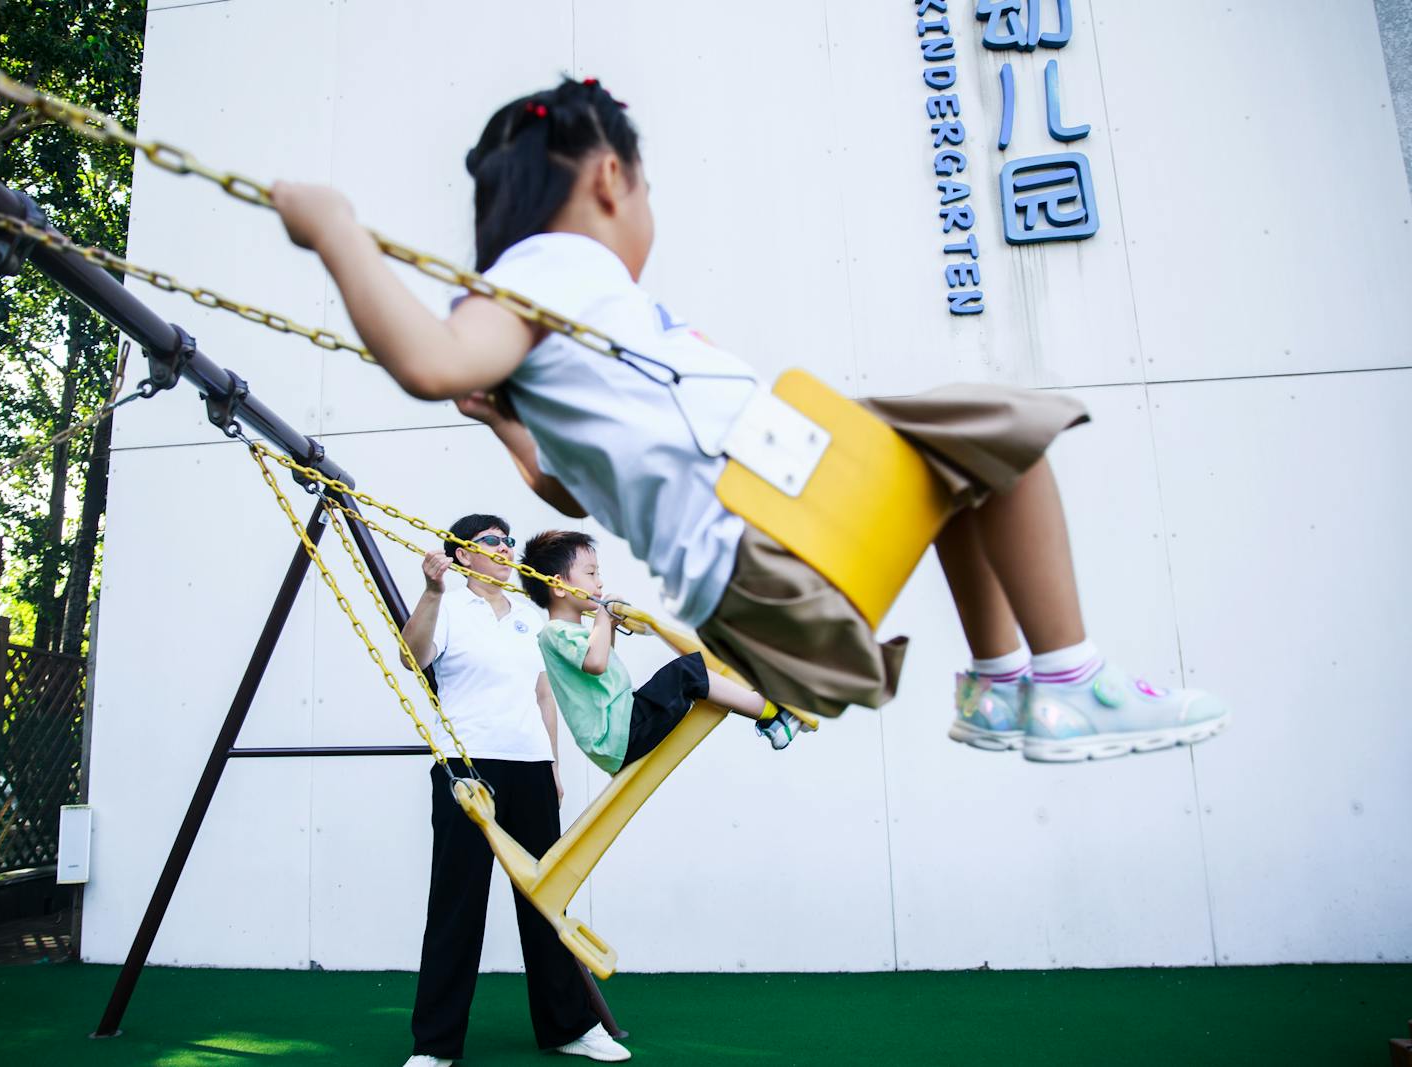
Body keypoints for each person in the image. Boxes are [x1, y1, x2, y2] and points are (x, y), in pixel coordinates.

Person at [271, 77, 1230, 764]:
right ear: (610, 178)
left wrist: (506, 429)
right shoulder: (554, 271)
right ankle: (1066, 679)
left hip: (764, 586)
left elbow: (570, 487)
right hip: (772, 547)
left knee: (961, 466)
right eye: (643, 191)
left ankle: (999, 684)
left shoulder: (563, 338)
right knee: (1006, 426)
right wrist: (335, 230)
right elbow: (428, 362)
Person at [398, 513, 629, 1066]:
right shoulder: (448, 607)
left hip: (529, 767)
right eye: (489, 541)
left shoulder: (533, 618)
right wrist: (431, 592)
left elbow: (544, 696)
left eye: (507, 539)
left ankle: (569, 1026)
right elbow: (413, 656)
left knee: (546, 901)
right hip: (465, 768)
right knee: (458, 904)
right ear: (462, 556)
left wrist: (552, 765)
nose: (504, 546)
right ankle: (434, 1045)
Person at [520, 529, 803, 772]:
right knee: (687, 671)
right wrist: (605, 618)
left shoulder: (579, 631)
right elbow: (596, 664)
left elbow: (600, 666)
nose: (600, 582)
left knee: (692, 673)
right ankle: (770, 714)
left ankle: (765, 713)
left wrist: (610, 625)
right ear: (558, 586)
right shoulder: (554, 632)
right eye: (591, 573)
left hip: (620, 728)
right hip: (617, 735)